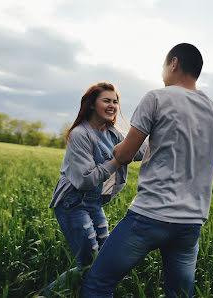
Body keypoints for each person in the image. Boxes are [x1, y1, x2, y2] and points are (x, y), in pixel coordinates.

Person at [81, 43, 213, 297]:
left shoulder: (156, 97)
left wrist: (115, 149)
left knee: (98, 283)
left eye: (164, 66)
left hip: (149, 216)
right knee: (179, 294)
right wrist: (197, 141)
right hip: (191, 224)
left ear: (173, 63)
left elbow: (127, 153)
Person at [42, 82, 147, 296]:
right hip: (72, 203)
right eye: (106, 100)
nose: (112, 105)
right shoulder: (80, 134)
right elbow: (85, 180)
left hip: (94, 203)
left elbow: (140, 150)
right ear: (91, 105)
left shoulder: (113, 134)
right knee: (88, 263)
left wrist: (161, 132)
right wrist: (118, 160)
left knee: (103, 259)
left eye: (115, 101)